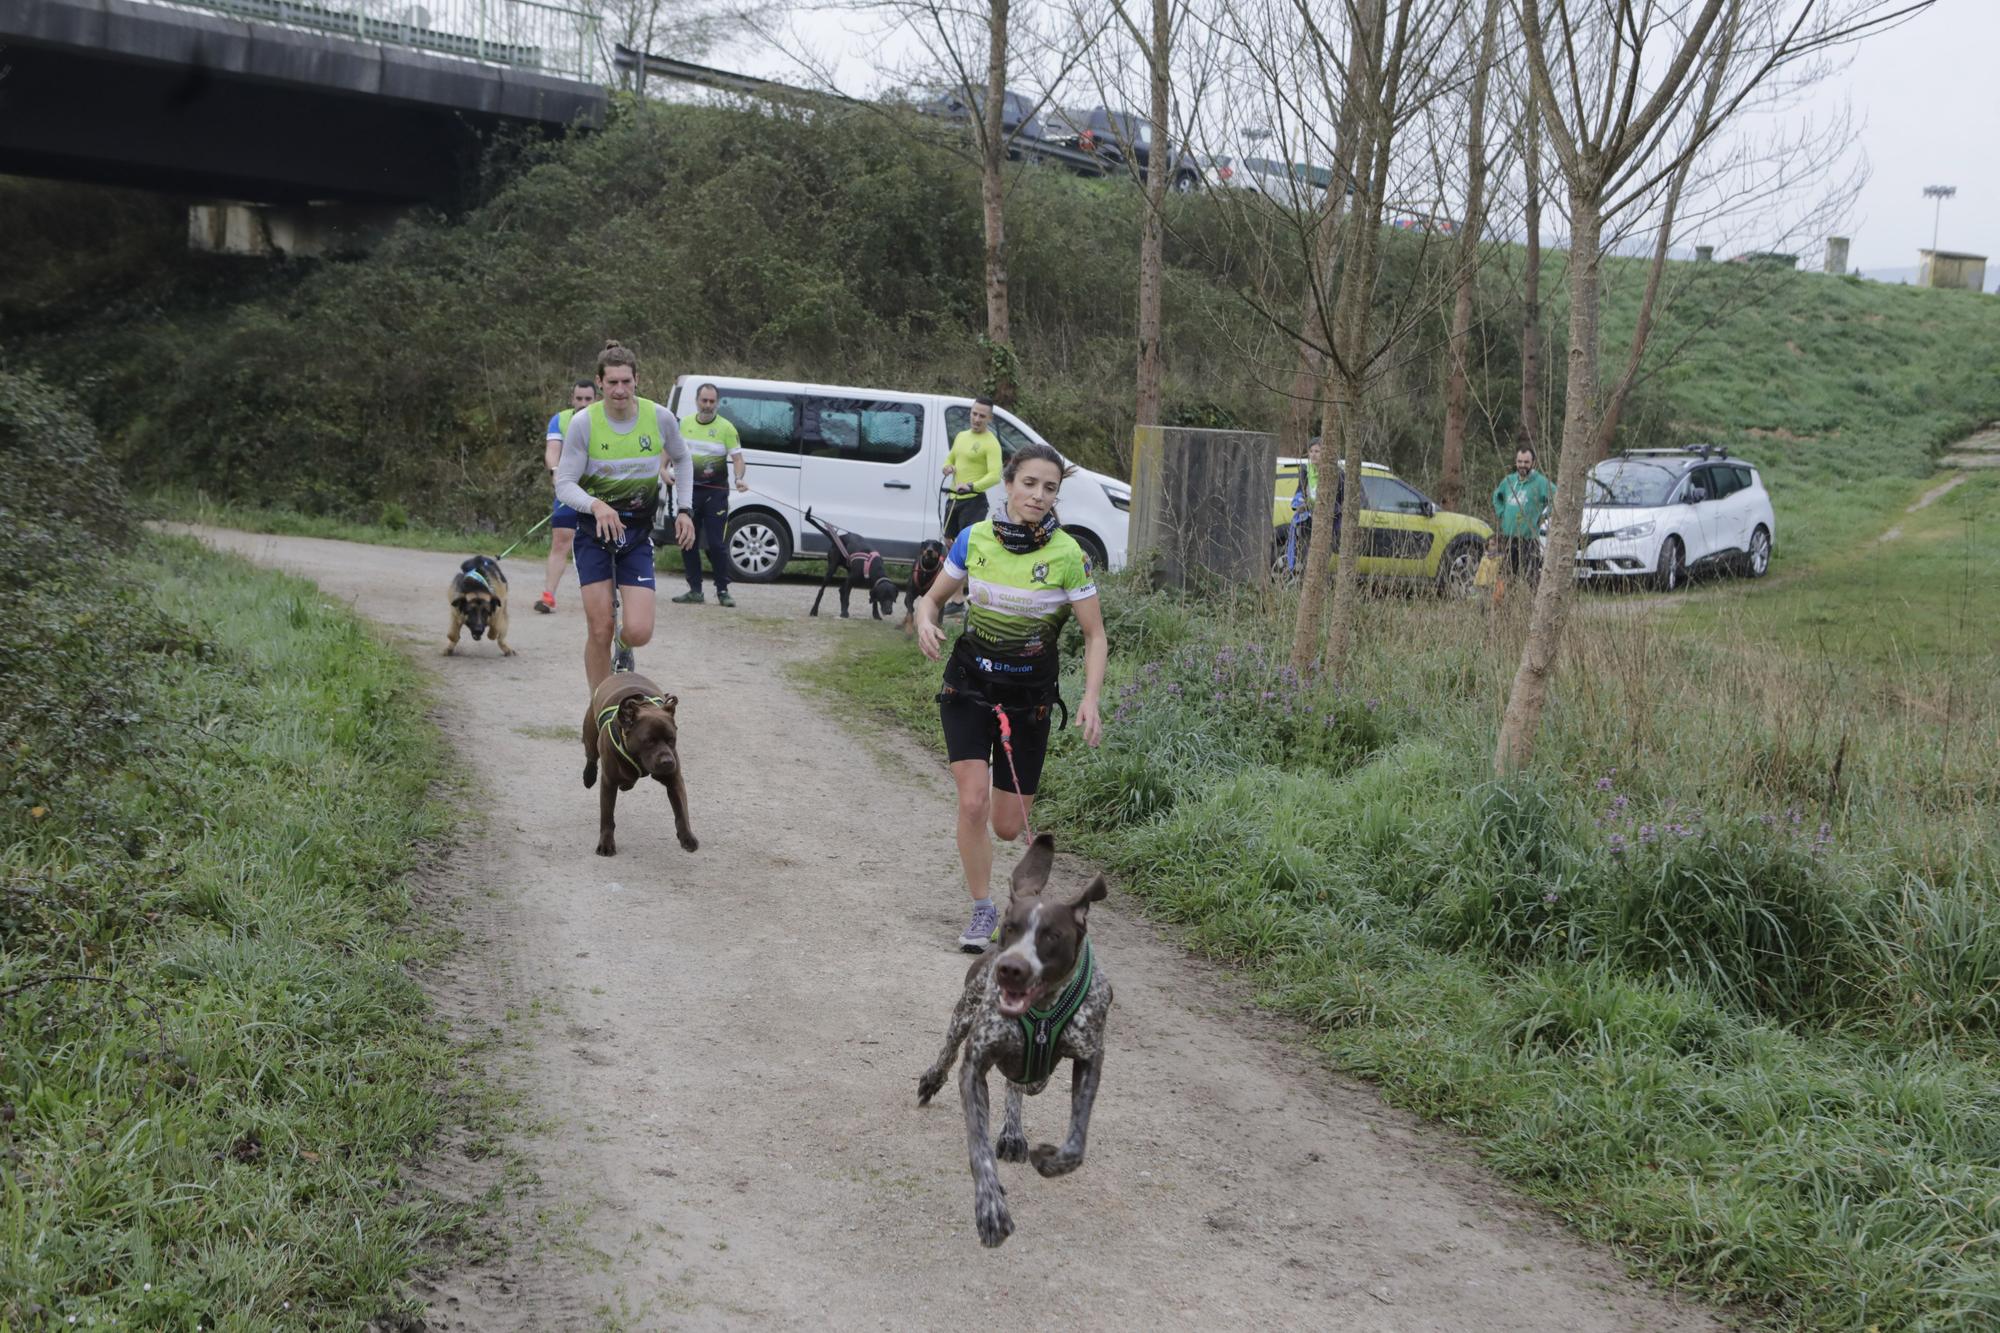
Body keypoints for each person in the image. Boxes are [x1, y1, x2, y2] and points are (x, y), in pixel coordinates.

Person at [915, 442, 1107, 952]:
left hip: (1030, 697)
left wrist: (1090, 698)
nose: (1038, 496)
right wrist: (923, 621)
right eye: (1029, 484)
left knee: (1005, 825)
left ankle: (1010, 893)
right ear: (1008, 484)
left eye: (1050, 488)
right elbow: (931, 598)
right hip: (970, 683)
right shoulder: (975, 538)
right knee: (972, 800)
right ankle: (983, 911)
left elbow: (1094, 636)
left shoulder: (1069, 555)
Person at [554, 341, 696, 693]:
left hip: (635, 536)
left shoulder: (659, 417)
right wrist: (596, 505)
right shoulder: (584, 423)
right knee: (599, 628)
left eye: (626, 382)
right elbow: (564, 483)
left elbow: (683, 459)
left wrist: (685, 510)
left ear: (637, 381)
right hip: (593, 534)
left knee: (638, 631)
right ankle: (600, 708)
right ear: (600, 383)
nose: (620, 390)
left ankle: (625, 644)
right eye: (612, 382)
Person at [672, 382, 748, 608]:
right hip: (689, 492)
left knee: (716, 544)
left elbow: (738, 459)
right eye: (704, 401)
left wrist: (739, 478)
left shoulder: (726, 428)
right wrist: (663, 470)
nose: (707, 405)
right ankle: (695, 590)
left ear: (717, 402)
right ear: (697, 401)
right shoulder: (684, 424)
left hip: (716, 493)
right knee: (687, 541)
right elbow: (670, 450)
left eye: (711, 401)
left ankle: (723, 591)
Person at [538, 379, 599, 613]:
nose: (583, 403)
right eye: (579, 398)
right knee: (561, 539)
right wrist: (555, 471)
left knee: (601, 543)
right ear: (572, 399)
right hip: (569, 489)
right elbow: (552, 452)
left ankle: (603, 598)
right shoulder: (560, 420)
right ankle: (548, 596)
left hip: (599, 492)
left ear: (596, 399)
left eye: (588, 399)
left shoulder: (604, 419)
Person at [1491, 444, 1554, 589]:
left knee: (1531, 579)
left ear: (1533, 463)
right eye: (1519, 462)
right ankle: (1504, 609)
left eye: (1526, 462)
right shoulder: (1509, 481)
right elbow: (1496, 497)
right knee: (1506, 578)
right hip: (1508, 539)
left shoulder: (1540, 482)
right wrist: (1501, 513)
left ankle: (1534, 609)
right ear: (1516, 462)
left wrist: (1544, 516)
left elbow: (1557, 497)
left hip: (1528, 540)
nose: (1522, 465)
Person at [941, 396, 1002, 541]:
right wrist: (947, 467)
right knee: (948, 541)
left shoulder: (992, 443)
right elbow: (951, 458)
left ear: (990, 418)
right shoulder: (961, 436)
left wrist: (971, 486)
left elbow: (995, 476)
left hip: (974, 501)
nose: (977, 419)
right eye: (974, 414)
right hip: (954, 498)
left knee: (967, 543)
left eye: (982, 416)